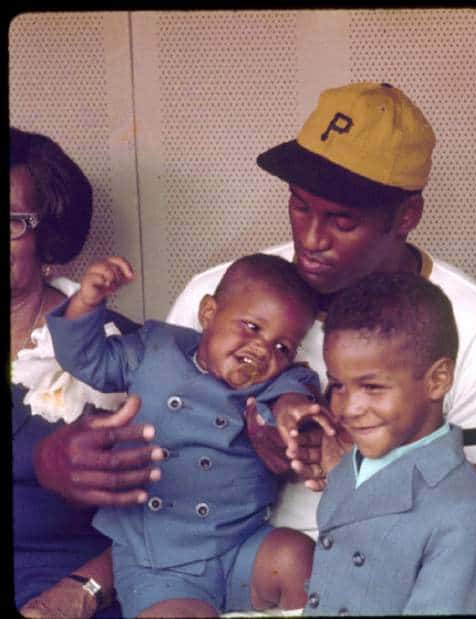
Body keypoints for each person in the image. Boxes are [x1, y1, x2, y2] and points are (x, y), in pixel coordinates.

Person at [162, 81, 476, 538]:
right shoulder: (221, 296)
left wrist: (378, 458)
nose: (312, 239)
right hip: (224, 574)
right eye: (300, 206)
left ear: (407, 216)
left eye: (342, 221)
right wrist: (239, 441)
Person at [45, 252, 331, 617]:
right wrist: (87, 303)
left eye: (282, 347)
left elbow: (296, 389)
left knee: (297, 556)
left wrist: (291, 408)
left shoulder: (276, 382)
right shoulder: (155, 349)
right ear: (208, 313)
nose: (262, 350)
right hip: (158, 561)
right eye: (252, 327)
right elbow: (86, 360)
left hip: (241, 545)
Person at [298, 272, 476, 615]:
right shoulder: (347, 467)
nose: (347, 409)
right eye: (337, 386)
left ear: (437, 380)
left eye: (373, 388)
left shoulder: (465, 514)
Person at [11, 126, 136, 618]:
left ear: (49, 234)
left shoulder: (116, 352)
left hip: (62, 593)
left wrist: (85, 589)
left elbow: (181, 512)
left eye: (12, 222)